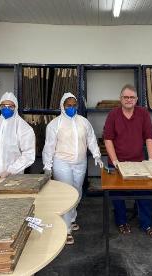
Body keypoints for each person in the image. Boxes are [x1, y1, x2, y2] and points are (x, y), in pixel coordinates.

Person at [43, 92, 103, 245]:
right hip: (61, 162)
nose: (71, 108)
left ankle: (71, 218)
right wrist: (47, 165)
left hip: (80, 162)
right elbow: (49, 147)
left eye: (74, 105)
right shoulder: (54, 124)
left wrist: (96, 155)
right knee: (66, 194)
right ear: (62, 106)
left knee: (77, 192)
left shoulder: (83, 122)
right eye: (68, 105)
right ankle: (66, 229)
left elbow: (91, 139)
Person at [103, 84, 152, 238]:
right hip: (117, 164)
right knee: (117, 196)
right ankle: (121, 222)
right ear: (120, 99)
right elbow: (108, 140)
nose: (129, 100)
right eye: (125, 97)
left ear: (136, 99)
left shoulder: (143, 114)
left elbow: (149, 137)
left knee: (144, 195)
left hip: (138, 163)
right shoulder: (113, 115)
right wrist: (115, 161)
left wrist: (151, 159)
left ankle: (146, 224)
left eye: (132, 97)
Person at [0, 92, 35, 178]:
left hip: (13, 176)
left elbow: (28, 155)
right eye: (3, 106)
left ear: (15, 107)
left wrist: (11, 170)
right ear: (0, 106)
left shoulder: (23, 128)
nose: (7, 108)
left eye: (10, 106)